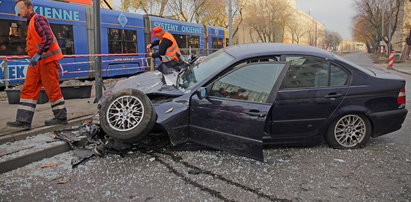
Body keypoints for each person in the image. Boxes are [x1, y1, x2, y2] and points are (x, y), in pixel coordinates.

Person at [7, 0, 67, 129]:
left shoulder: (38, 19)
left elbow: (48, 37)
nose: (18, 13)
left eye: (21, 9)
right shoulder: (31, 22)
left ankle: (61, 118)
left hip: (47, 61)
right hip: (37, 62)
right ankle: (24, 121)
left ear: (29, 8)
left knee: (52, 89)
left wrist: (38, 53)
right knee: (29, 88)